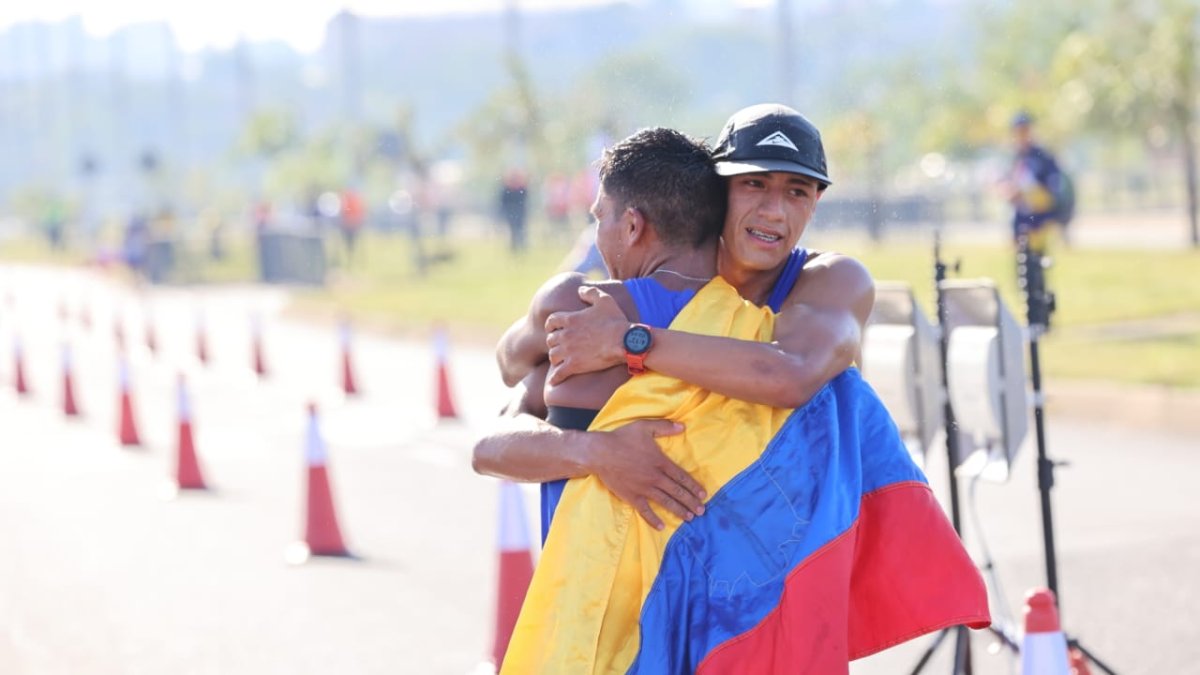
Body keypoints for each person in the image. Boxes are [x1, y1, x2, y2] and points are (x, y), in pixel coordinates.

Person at [478, 105, 990, 673]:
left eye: (797, 192)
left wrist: (632, 343)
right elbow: (507, 395)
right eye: (754, 184)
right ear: (718, 191)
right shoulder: (627, 292)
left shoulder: (827, 281)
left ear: (816, 202)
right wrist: (596, 450)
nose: (774, 210)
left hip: (753, 610)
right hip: (625, 606)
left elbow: (790, 374)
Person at [1003, 110, 1066, 252]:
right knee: (1021, 262)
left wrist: (1032, 195)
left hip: (1039, 220)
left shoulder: (1042, 156)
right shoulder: (1016, 157)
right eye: (1018, 131)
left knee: (1037, 260)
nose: (1021, 135)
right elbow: (1011, 184)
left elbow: (1053, 188)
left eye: (1024, 130)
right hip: (1021, 218)